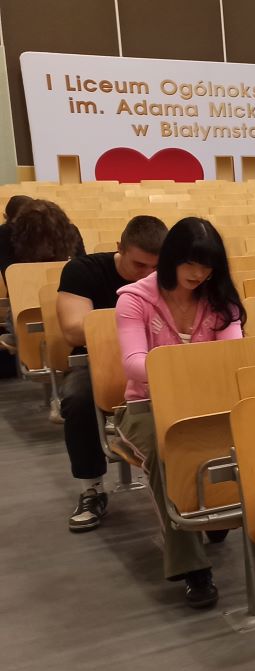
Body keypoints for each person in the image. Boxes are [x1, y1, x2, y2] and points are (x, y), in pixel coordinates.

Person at [115, 217, 245, 609]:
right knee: (167, 451)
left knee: (254, 432)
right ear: (172, 257)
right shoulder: (134, 300)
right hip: (148, 404)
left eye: (207, 266)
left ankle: (217, 515)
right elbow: (133, 363)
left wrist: (191, 371)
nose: (199, 274)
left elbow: (232, 356)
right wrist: (187, 369)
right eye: (191, 263)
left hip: (208, 401)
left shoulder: (220, 299)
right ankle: (192, 566)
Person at [57, 216, 167, 533]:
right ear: (120, 248)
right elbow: (73, 330)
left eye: (155, 267)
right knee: (77, 397)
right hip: (94, 360)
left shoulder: (170, 275)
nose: (147, 275)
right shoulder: (83, 270)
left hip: (155, 359)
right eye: (139, 265)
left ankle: (192, 487)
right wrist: (130, 319)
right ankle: (91, 489)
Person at [1, 198, 85, 276]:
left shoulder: (70, 232)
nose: (50, 251)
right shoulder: (6, 234)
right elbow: (11, 277)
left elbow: (82, 269)